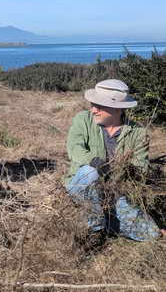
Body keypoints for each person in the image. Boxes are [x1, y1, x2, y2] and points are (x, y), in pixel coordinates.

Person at [65, 79, 166, 244]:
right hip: (81, 185)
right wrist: (94, 161)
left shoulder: (138, 133)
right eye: (93, 104)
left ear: (118, 109)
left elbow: (141, 168)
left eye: (100, 106)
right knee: (90, 172)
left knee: (151, 234)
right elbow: (73, 148)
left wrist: (128, 170)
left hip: (114, 193)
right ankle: (95, 231)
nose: (94, 110)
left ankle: (107, 222)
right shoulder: (83, 120)